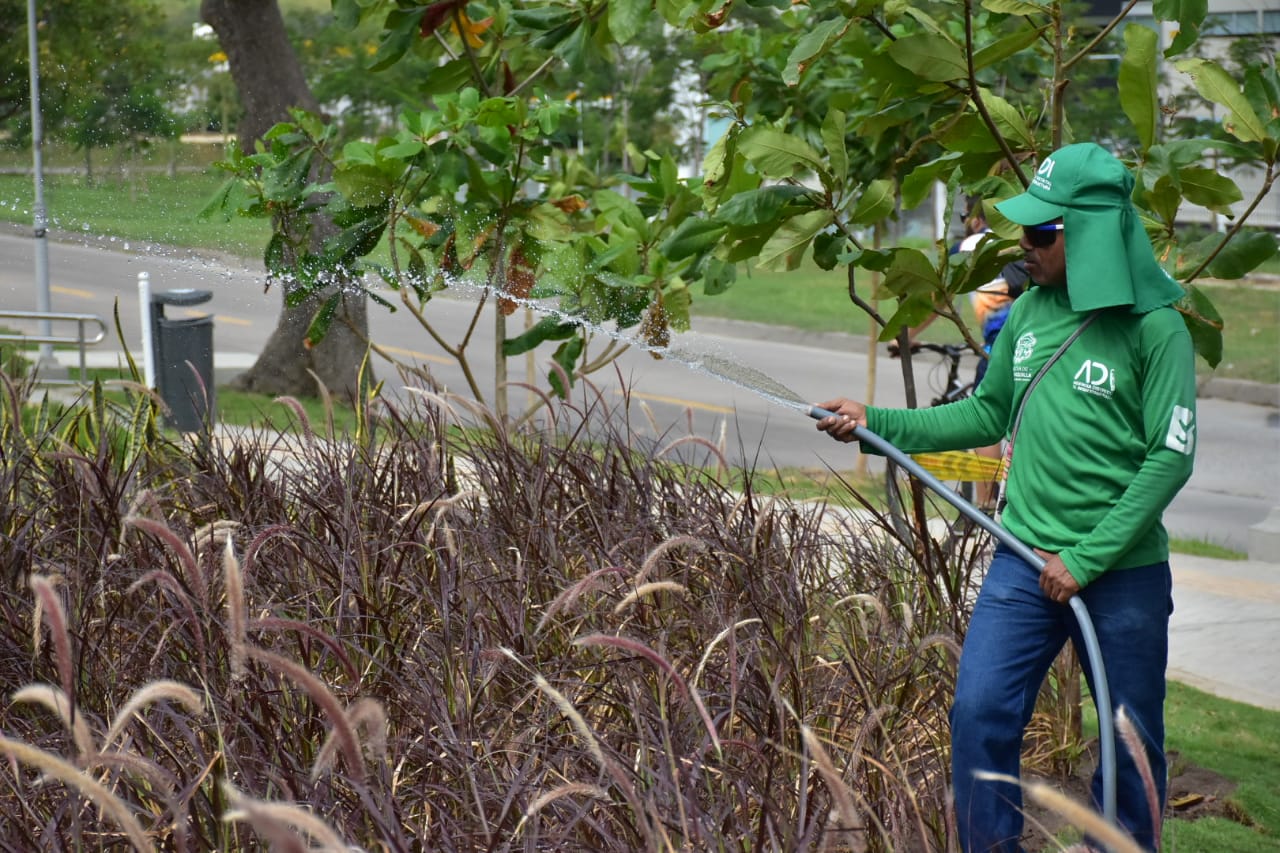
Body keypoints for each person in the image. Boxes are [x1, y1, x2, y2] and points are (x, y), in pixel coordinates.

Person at [815, 143, 1196, 852]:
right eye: (1026, 229)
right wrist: (877, 424)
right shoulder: (1027, 313)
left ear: (1090, 233)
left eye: (1042, 232)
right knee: (979, 710)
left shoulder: (1157, 328)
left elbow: (1170, 458)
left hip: (1122, 573)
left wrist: (1086, 557)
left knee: (1129, 740)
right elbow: (986, 412)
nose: (1025, 244)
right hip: (1023, 559)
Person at [892, 200, 1029, 506]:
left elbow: (936, 299)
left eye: (967, 217)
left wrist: (905, 338)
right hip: (1038, 346)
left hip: (1000, 348)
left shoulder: (970, 246)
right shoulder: (1022, 241)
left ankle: (987, 509)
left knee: (987, 419)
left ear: (978, 219)